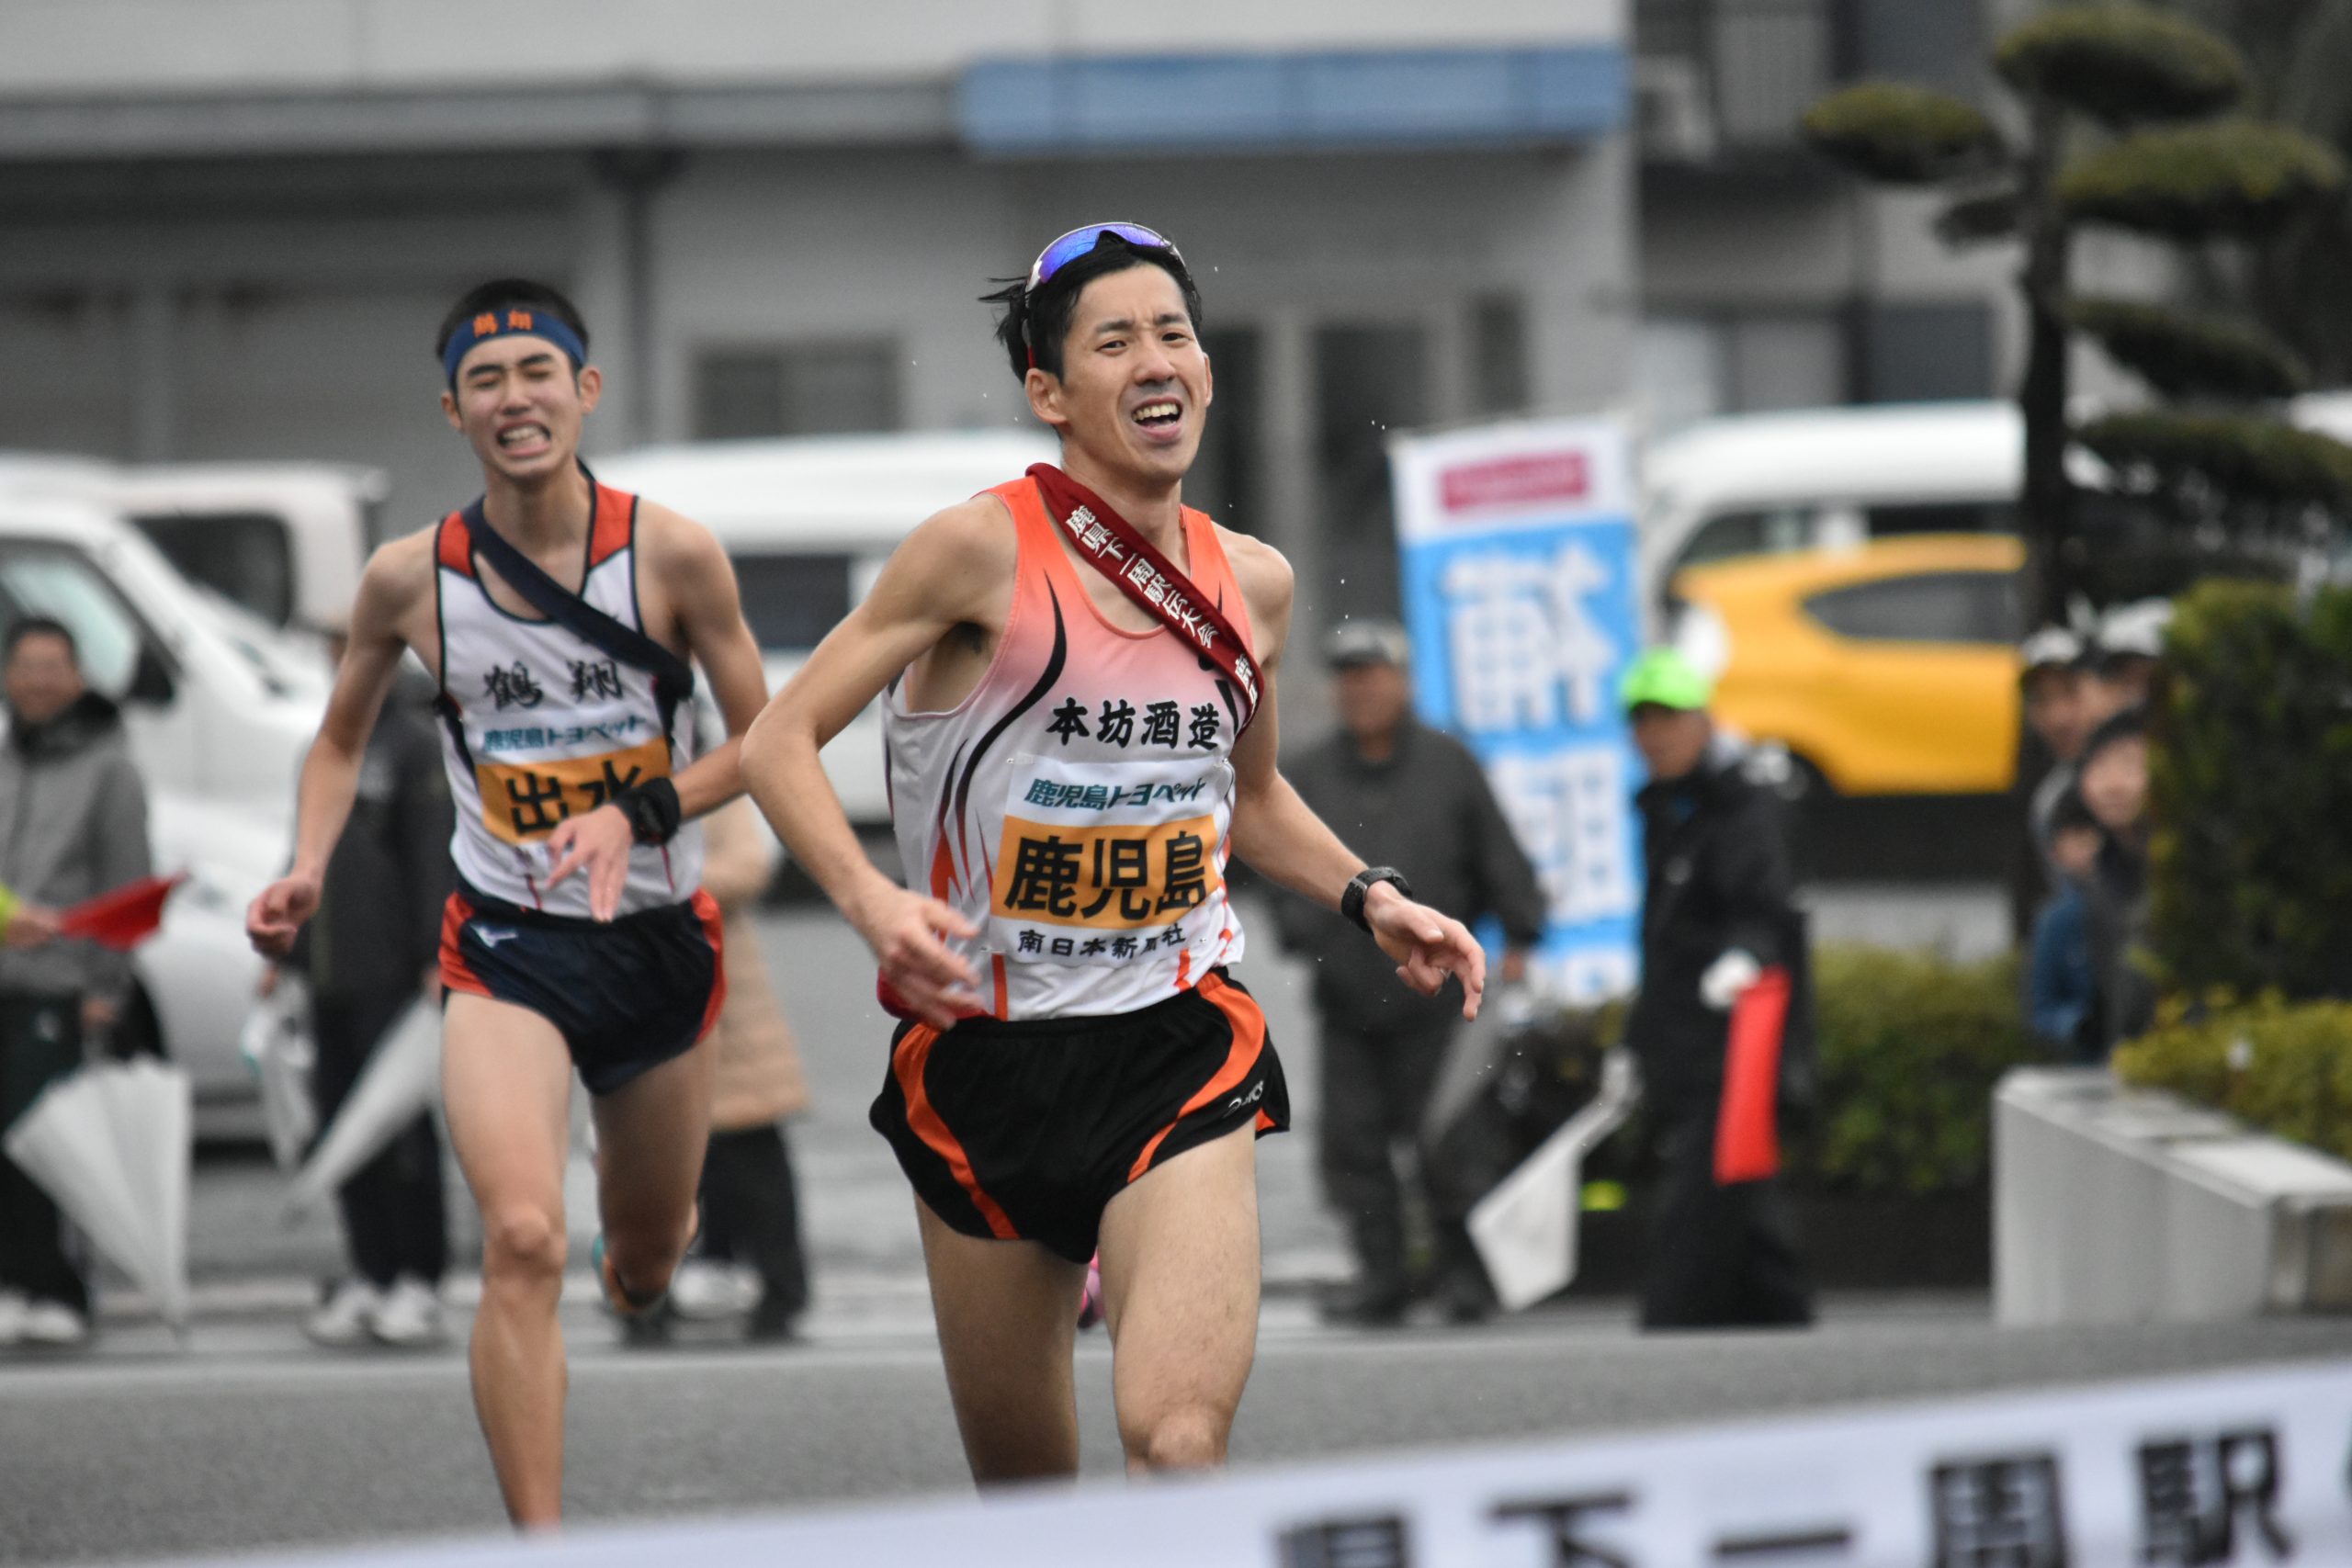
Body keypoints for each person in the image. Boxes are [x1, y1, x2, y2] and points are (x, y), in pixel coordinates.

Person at [741, 222, 1487, 1483]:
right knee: (1033, 1499)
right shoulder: (975, 549)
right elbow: (778, 739)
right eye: (1116, 339)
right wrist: (872, 903)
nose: (1160, 360)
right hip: (981, 1064)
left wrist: (1370, 895)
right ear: (1050, 391)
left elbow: (1244, 800)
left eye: (1177, 333)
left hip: (1175, 1037)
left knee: (1177, 1438)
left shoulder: (1253, 584)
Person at [245, 279, 768, 1527]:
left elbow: (771, 739)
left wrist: (639, 809)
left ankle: (639, 1253)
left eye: (539, 370)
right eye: (487, 380)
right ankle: (541, 1539)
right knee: (524, 1234)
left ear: (584, 390)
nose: (515, 397)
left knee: (642, 1262)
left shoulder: (674, 552)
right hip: (504, 942)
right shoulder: (408, 578)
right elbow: (334, 741)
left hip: (654, 939)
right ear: (454, 410)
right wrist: (308, 860)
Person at [1276, 617, 1545, 1325]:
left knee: (1453, 1139)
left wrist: (1521, 931)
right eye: (1348, 676)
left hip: (1440, 1003)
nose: (1360, 688)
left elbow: (1499, 855)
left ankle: (1466, 1277)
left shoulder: (1449, 763)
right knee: (1353, 1145)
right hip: (1345, 996)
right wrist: (1300, 928)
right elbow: (1274, 861)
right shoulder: (1305, 772)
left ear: (1403, 680)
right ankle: (1382, 1278)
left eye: (1373, 673)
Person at [1619, 647, 1813, 1331]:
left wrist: (1741, 956)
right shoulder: (1662, 807)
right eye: (1642, 721)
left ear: (1703, 720)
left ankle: (1666, 1331)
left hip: (1738, 1040)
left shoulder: (1740, 801)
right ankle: (1787, 1329)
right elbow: (1662, 940)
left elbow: (1765, 905)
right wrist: (1634, 1043)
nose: (1655, 734)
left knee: (1700, 1201)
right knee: (1744, 1202)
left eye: (1668, 718)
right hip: (1684, 1036)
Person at [276, 633, 455, 1348]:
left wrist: (437, 956)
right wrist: (281, 948)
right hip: (328, 973)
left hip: (394, 975)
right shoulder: (322, 747)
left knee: (400, 1130)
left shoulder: (414, 745)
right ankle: (370, 1270)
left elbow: (433, 855)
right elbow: (299, 852)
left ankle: (420, 1276)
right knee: (341, 1127)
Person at [0, 616, 149, 1348]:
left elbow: (129, 886)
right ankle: (15, 1280)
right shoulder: (7, 759)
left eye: (53, 665)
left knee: (48, 1143)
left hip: (61, 980)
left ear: (78, 676)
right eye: (26, 665)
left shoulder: (108, 765)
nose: (39, 679)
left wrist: (105, 986)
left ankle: (59, 1286)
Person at [650, 792, 812, 1345]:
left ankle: (782, 1289)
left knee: (751, 1152)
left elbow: (747, 867)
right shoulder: (598, 772)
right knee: (646, 1157)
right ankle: (643, 1291)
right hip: (638, 991)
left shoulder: (709, 785)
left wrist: (650, 884)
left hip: (726, 996)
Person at [2076, 707, 2154, 1053]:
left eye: (2129, 765)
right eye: (2099, 767)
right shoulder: (2095, 878)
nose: (2112, 784)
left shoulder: (2190, 873)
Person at [2025, 787, 2103, 1061]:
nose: (2090, 849)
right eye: (2077, 839)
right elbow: (2041, 1010)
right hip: (2089, 1070)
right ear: (2056, 852)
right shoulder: (2057, 920)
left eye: (2095, 837)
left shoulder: (2140, 905)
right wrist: (2079, 1023)